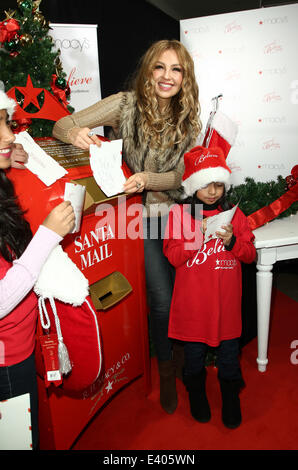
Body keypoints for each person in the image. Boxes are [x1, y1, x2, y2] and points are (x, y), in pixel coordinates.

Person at [52, 39, 202, 414]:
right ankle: (166, 370)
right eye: (160, 67)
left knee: (187, 294)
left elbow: (182, 177)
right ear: (149, 70)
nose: (167, 77)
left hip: (180, 213)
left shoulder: (189, 118)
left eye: (176, 70)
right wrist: (74, 134)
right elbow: (61, 123)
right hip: (140, 219)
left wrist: (148, 178)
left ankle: (186, 360)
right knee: (161, 298)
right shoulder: (124, 104)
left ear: (185, 78)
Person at [0, 90, 75, 449]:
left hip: (19, 344)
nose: (9, 134)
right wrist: (48, 235)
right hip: (6, 360)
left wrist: (7, 161)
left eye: (5, 121)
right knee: (18, 442)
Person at [163, 145, 256, 428]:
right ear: (193, 186)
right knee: (194, 358)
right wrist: (197, 237)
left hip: (226, 306)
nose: (213, 191)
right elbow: (173, 256)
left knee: (229, 357)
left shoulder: (234, 215)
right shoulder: (179, 215)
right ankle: (197, 394)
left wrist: (232, 242)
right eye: (206, 185)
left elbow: (250, 255)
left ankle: (230, 397)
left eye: (218, 184)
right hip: (193, 307)